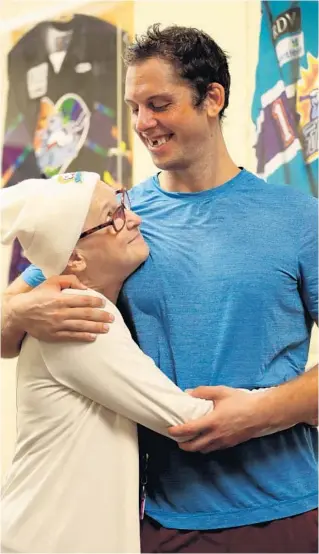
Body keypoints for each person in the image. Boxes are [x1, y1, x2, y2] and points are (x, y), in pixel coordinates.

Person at [2, 24, 318, 554]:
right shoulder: (119, 226)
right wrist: (22, 312)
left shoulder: (299, 218)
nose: (144, 124)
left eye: (159, 104)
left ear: (211, 98)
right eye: (134, 107)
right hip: (160, 521)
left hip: (286, 511)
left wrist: (262, 411)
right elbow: (11, 319)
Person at [0, 171, 215, 553]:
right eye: (113, 215)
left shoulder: (63, 309)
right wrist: (288, 407)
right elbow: (188, 420)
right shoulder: (84, 316)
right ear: (75, 259)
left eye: (123, 203)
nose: (134, 219)